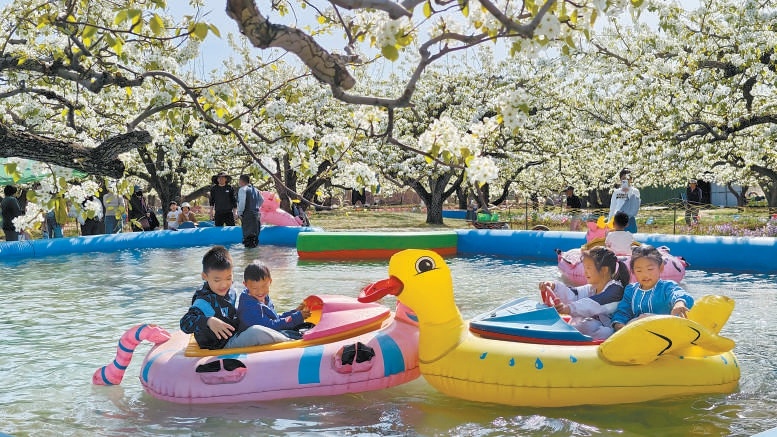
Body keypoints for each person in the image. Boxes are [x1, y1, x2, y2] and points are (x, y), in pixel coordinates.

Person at [179, 246, 290, 350]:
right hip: (222, 345)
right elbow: (184, 323)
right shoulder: (204, 301)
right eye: (217, 280)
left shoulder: (231, 291)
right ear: (205, 276)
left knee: (264, 318)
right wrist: (208, 321)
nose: (224, 285)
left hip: (236, 333)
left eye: (228, 278)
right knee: (256, 332)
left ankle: (289, 331)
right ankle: (291, 341)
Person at [539, 247, 630, 340]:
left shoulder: (615, 289)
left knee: (593, 326)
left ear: (604, 270)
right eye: (585, 267)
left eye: (589, 268)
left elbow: (593, 303)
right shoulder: (592, 288)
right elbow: (574, 294)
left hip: (612, 331)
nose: (585, 271)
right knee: (581, 321)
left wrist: (569, 308)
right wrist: (554, 286)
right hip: (596, 327)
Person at [611, 245, 694, 332]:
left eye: (650, 269)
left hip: (665, 331)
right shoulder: (631, 290)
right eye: (639, 271)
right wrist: (619, 324)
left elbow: (678, 293)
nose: (645, 275)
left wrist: (679, 303)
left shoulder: (667, 287)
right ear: (633, 272)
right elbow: (623, 312)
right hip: (639, 333)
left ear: (661, 268)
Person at [236, 260, 311, 339]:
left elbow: (275, 318)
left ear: (270, 281)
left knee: (299, 327)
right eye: (255, 288)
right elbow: (270, 326)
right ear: (245, 285)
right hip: (250, 339)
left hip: (267, 330)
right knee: (290, 334)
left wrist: (295, 312)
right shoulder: (248, 306)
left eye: (264, 286)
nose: (260, 291)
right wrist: (296, 317)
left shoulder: (264, 298)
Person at [607, 168, 641, 233]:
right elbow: (612, 208)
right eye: (623, 178)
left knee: (631, 237)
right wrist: (609, 221)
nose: (625, 180)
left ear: (631, 179)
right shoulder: (616, 192)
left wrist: (628, 192)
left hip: (630, 219)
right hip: (618, 220)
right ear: (620, 179)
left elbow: (635, 206)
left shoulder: (635, 191)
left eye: (627, 179)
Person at [237, 174, 263, 248]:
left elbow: (242, 202)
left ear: (241, 181)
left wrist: (240, 213)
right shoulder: (256, 190)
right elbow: (262, 200)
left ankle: (248, 255)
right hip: (256, 215)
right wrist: (255, 207)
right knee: (255, 238)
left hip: (248, 216)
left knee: (248, 240)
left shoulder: (242, 189)